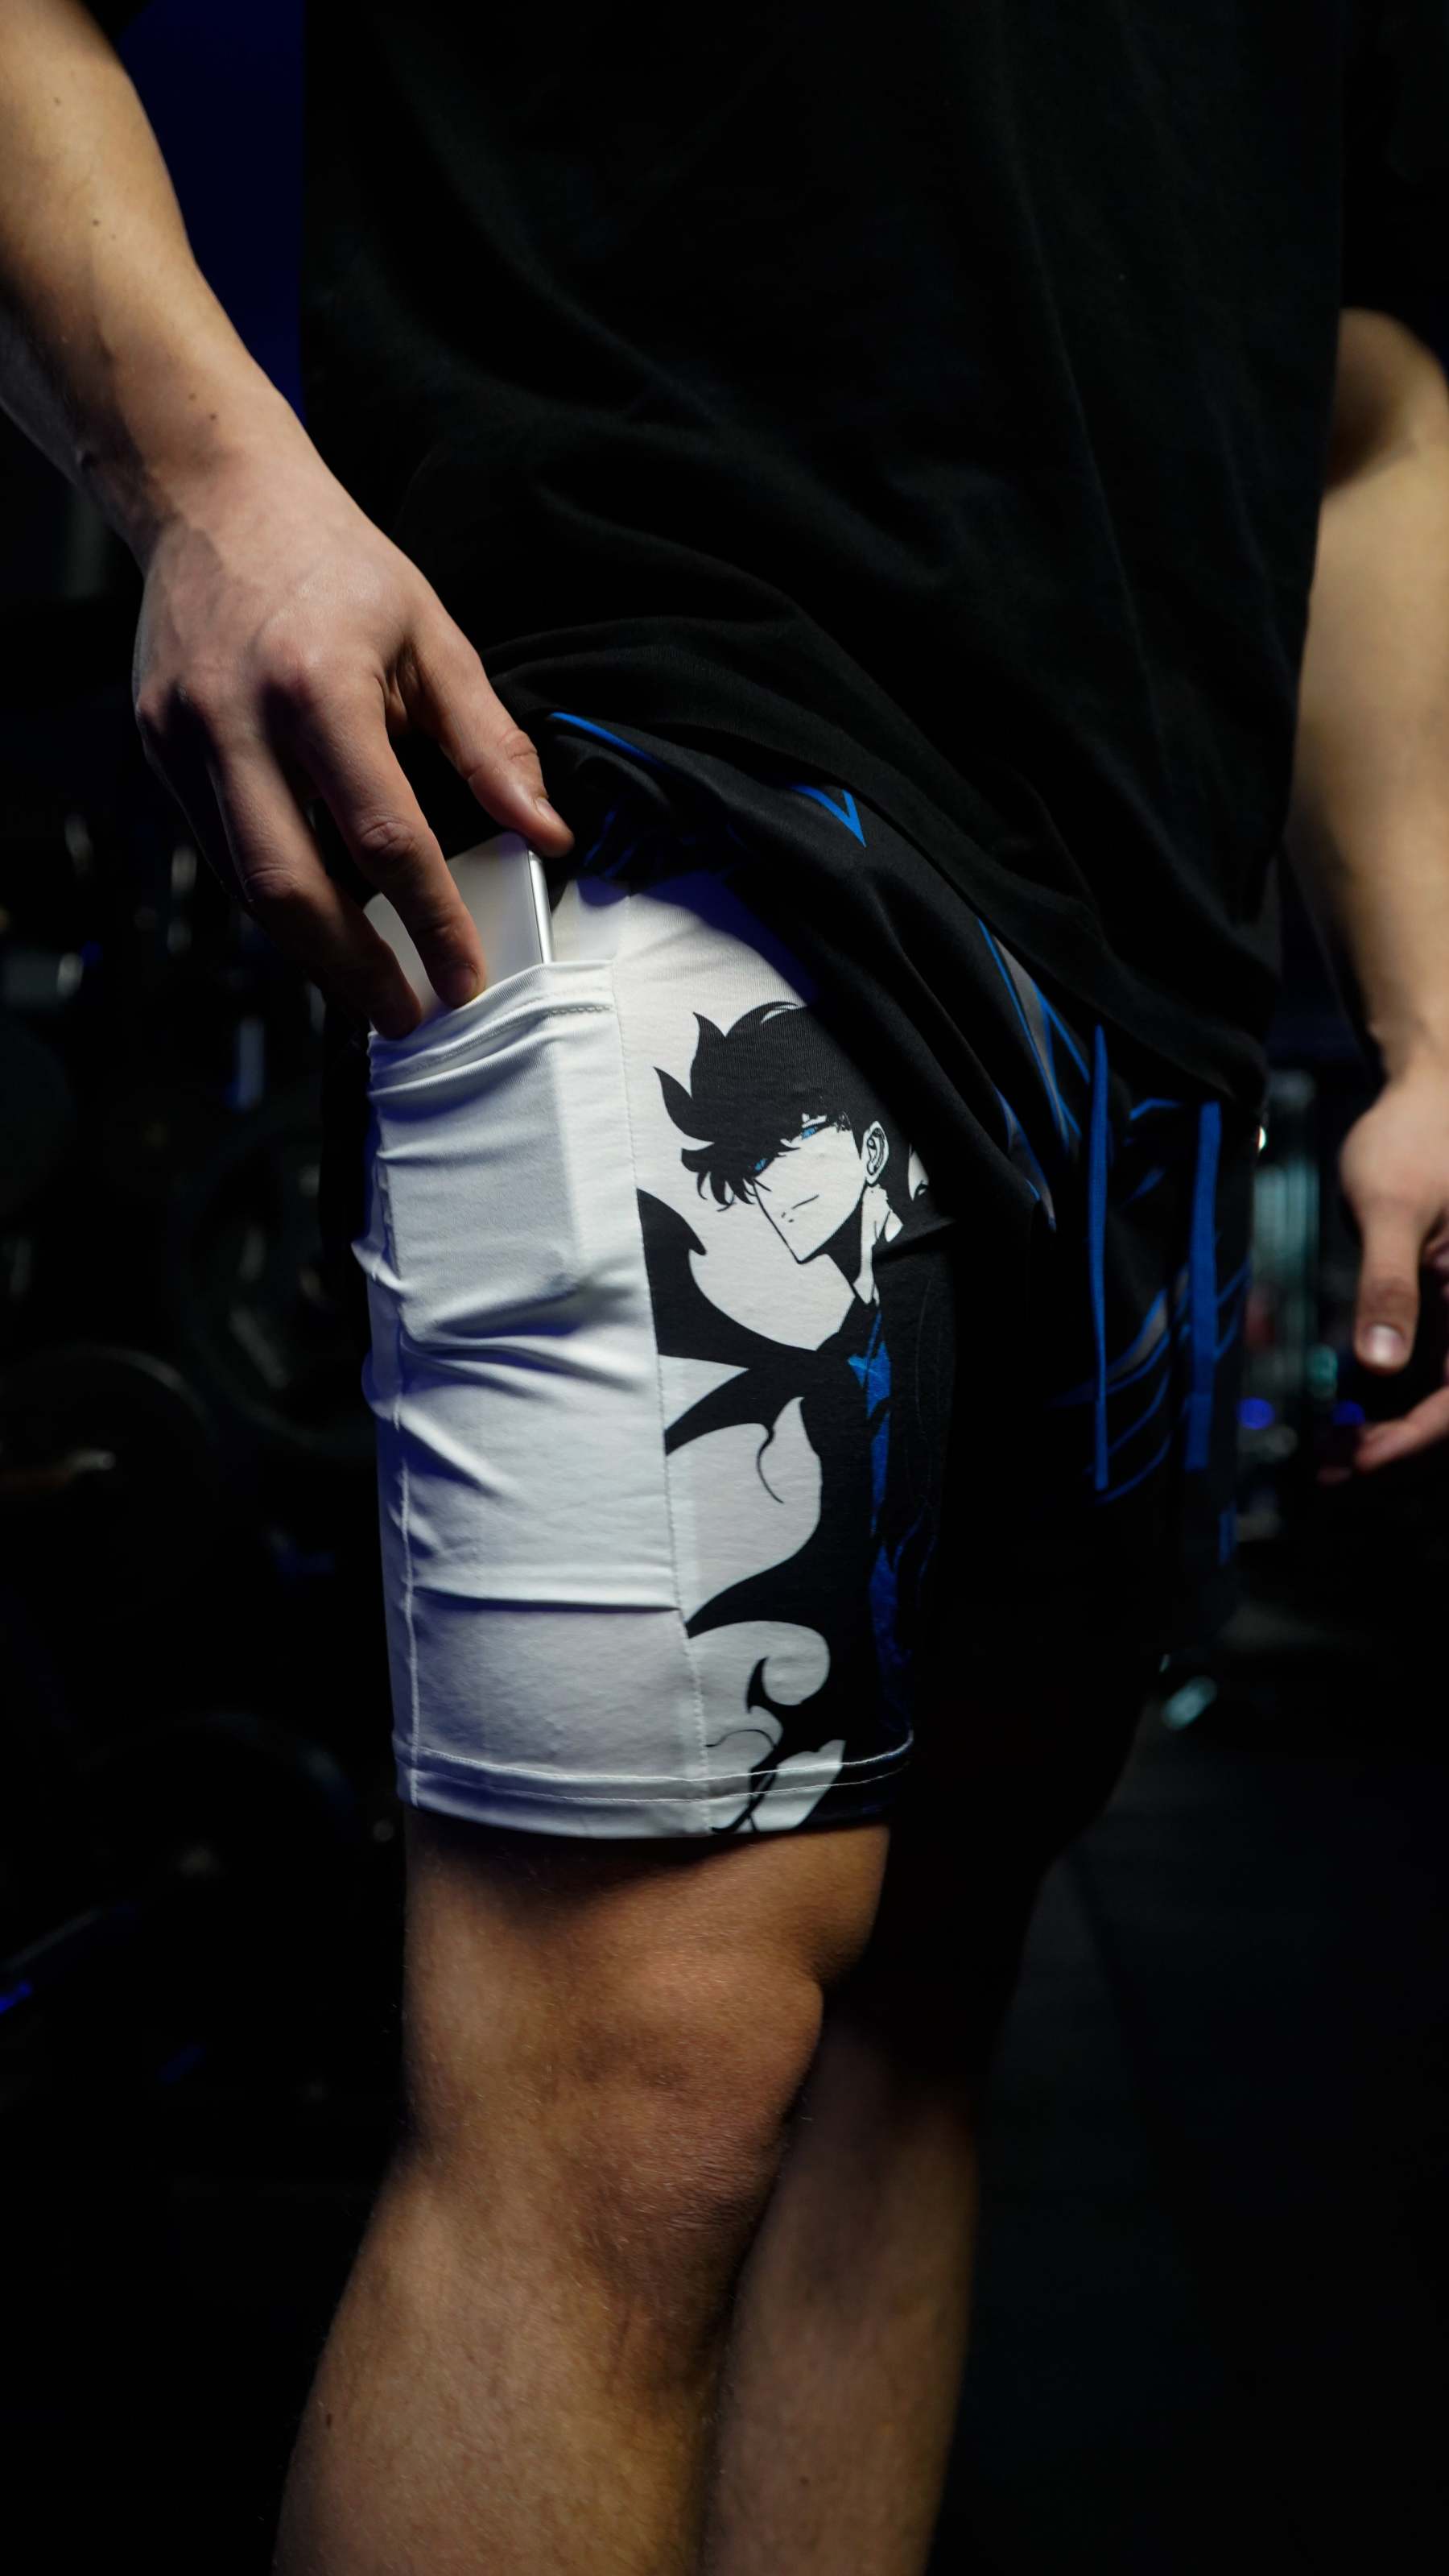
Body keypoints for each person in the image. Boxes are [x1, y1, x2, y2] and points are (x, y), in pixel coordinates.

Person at [3, 2, 1448, 2566]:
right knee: (638, 2091)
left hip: (1141, 965)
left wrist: (1435, 1007)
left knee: (911, 2037)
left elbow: (1371, 402)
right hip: (654, 775)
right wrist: (209, 471)